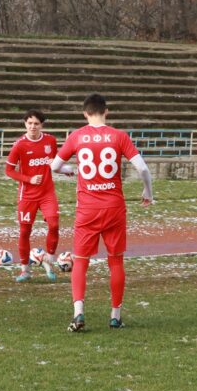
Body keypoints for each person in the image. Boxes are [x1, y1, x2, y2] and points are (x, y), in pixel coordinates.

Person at [51, 94, 153, 332]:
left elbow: (54, 166)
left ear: (85, 113)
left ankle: (78, 313)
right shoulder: (119, 136)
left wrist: (71, 171)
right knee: (115, 261)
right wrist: (148, 192)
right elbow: (143, 168)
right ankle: (115, 316)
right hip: (114, 207)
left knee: (81, 261)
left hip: (87, 209)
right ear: (107, 112)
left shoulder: (76, 136)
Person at [6, 109, 61, 283]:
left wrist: (59, 166)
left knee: (53, 224)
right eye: (29, 123)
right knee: (25, 231)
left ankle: (49, 259)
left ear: (41, 125)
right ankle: (25, 270)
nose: (32, 126)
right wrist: (29, 179)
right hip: (27, 195)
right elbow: (9, 170)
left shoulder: (50, 141)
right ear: (25, 124)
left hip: (47, 193)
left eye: (36, 123)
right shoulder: (19, 145)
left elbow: (55, 163)